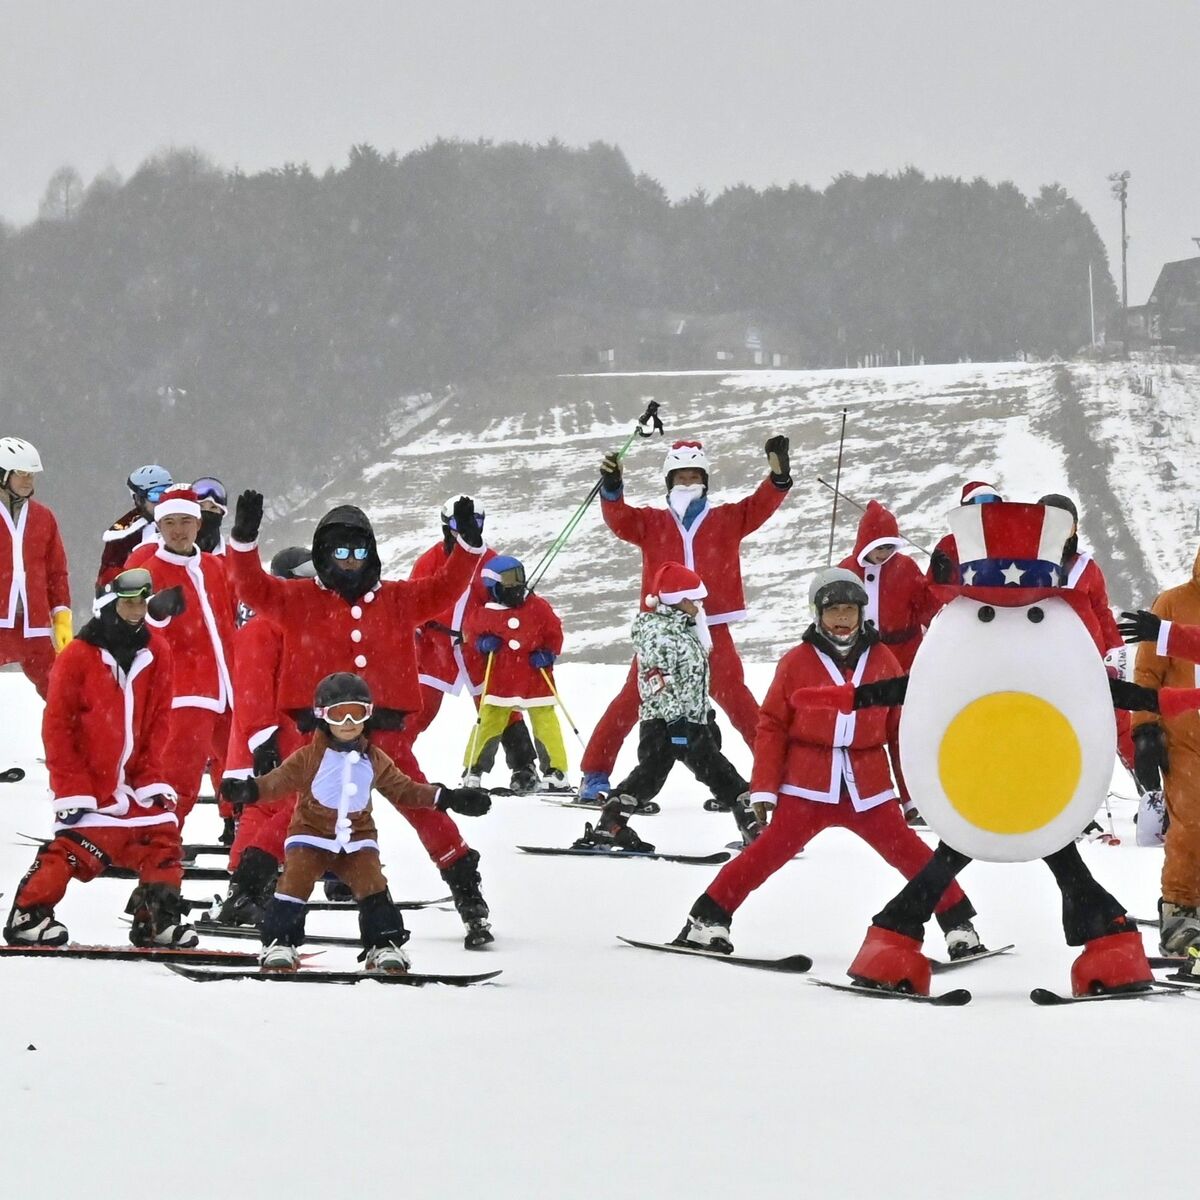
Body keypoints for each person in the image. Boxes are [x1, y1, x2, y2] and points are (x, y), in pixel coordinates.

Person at [226, 489, 498, 948]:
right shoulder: (297, 598)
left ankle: (468, 894)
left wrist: (467, 548)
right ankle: (246, 889)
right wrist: (244, 539)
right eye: (339, 551)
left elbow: (447, 588)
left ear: (370, 554)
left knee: (422, 809)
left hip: (386, 730)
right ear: (323, 553)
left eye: (358, 551)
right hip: (321, 734)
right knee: (298, 812)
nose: (349, 561)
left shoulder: (397, 599)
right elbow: (251, 587)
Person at [674, 567, 984, 960]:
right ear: (817, 613)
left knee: (915, 856)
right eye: (833, 609)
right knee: (764, 855)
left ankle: (959, 925)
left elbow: (898, 732)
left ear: (861, 613)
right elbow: (772, 726)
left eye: (850, 610)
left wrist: (912, 795)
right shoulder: (796, 662)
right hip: (807, 786)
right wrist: (765, 788)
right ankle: (707, 920)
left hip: (869, 789)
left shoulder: (884, 659)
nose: (842, 618)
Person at [221, 673, 491, 971]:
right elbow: (278, 782)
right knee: (294, 884)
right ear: (323, 716)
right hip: (310, 838)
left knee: (373, 885)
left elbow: (405, 789)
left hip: (358, 842)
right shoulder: (309, 757)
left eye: (357, 713)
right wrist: (249, 790)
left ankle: (384, 944)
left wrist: (448, 797)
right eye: (339, 714)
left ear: (369, 715)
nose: (349, 722)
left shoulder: (374, 759)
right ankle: (280, 941)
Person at [578, 435, 793, 800]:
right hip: (662, 628)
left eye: (695, 477)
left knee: (738, 700)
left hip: (712, 625)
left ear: (705, 481)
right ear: (669, 481)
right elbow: (619, 519)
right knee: (633, 698)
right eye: (681, 477)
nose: (688, 483)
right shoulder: (651, 522)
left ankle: (777, 775)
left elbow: (759, 506)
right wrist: (612, 489)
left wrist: (778, 479)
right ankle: (595, 773)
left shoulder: (726, 518)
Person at [4, 567, 197, 949]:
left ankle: (155, 919)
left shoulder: (156, 651)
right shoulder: (78, 656)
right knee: (81, 846)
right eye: (128, 603)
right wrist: (73, 789)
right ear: (111, 604)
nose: (137, 610)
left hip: (134, 783)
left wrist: (151, 778)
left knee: (163, 840)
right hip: (90, 785)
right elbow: (58, 728)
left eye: (142, 602)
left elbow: (159, 722)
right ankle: (28, 913)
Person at [578, 563, 760, 853]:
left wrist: (705, 716)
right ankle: (610, 824)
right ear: (678, 600)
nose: (699, 605)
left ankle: (611, 823)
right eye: (693, 599)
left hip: (690, 720)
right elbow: (657, 680)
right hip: (664, 722)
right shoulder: (658, 633)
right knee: (656, 774)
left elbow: (693, 680)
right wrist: (675, 722)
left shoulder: (685, 631)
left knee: (712, 771)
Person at [406, 497, 540, 792]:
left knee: (499, 706)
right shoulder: (429, 561)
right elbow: (413, 601)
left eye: (474, 523)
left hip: (477, 648)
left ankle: (524, 766)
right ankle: (391, 760)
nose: (466, 530)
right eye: (458, 525)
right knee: (419, 707)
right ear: (446, 527)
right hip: (435, 645)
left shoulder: (491, 561)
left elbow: (507, 604)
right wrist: (414, 631)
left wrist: (503, 625)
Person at [125, 487, 237, 827]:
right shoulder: (148, 569)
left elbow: (231, 619)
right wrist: (154, 616)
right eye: (169, 521)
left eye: (186, 520)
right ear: (158, 525)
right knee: (179, 773)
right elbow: (126, 631)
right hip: (183, 691)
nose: (178, 529)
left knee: (238, 767)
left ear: (199, 523)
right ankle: (160, 838)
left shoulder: (215, 567)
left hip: (229, 688)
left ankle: (242, 833)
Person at [1121, 589, 1200, 956]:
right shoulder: (1174, 602)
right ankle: (1180, 914)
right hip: (1186, 736)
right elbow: (1148, 672)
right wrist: (1145, 727)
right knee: (1190, 824)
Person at [461, 556, 571, 792]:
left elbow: (554, 631)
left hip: (535, 677)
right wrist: (481, 644)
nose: (518, 584)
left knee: (545, 720)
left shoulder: (537, 606)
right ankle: (473, 769)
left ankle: (556, 770)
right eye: (510, 579)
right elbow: (469, 635)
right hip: (502, 679)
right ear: (493, 585)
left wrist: (549, 653)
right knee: (489, 721)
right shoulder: (484, 614)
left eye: (520, 576)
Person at [0, 437, 72, 700]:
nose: (28, 480)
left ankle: (78, 740)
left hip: (34, 626)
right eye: (21, 474)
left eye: (31, 474)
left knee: (62, 694)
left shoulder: (43, 517)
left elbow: (56, 571)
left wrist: (61, 615)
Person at [97, 464, 172, 589]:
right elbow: (108, 582)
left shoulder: (186, 523)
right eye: (155, 495)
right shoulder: (124, 536)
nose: (162, 500)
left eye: (168, 493)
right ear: (138, 499)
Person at [926, 480, 1001, 584]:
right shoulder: (949, 544)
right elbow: (928, 594)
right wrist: (939, 579)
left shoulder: (1014, 540)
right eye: (981, 500)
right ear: (966, 507)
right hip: (965, 600)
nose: (988, 505)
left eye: (994, 500)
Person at [192, 476, 229, 554]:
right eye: (200, 507)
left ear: (222, 513)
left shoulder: (233, 557)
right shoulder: (171, 553)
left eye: (213, 507)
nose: (206, 512)